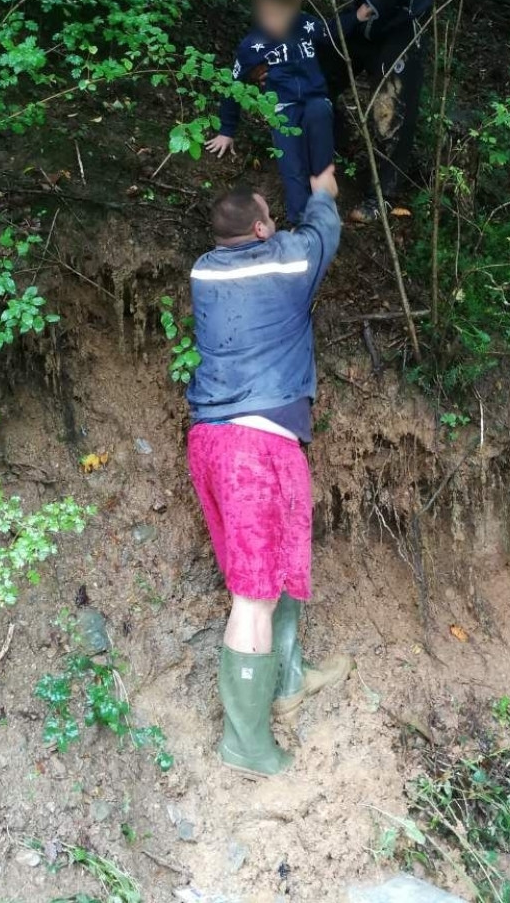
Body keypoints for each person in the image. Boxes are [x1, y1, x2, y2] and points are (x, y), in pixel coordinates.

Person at [185, 170, 351, 777]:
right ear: (259, 229)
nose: (276, 225)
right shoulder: (282, 261)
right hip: (254, 450)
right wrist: (324, 188)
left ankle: (287, 678)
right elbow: (322, 231)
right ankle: (246, 745)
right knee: (252, 597)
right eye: (269, 219)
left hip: (216, 442)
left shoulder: (205, 270)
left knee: (273, 569)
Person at [290, 0, 432, 223]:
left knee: (390, 106)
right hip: (359, 19)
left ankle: (382, 197)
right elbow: (291, 0)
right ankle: (326, 153)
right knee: (312, 71)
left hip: (400, 19)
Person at [206, 0, 370, 224]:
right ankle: (301, 222)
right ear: (259, 14)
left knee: (320, 115)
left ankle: (324, 192)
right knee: (292, 166)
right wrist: (227, 130)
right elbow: (234, 86)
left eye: (282, 14)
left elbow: (328, 31)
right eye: (269, 15)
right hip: (282, 110)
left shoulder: (303, 25)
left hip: (315, 101)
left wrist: (356, 17)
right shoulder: (253, 45)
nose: (276, 21)